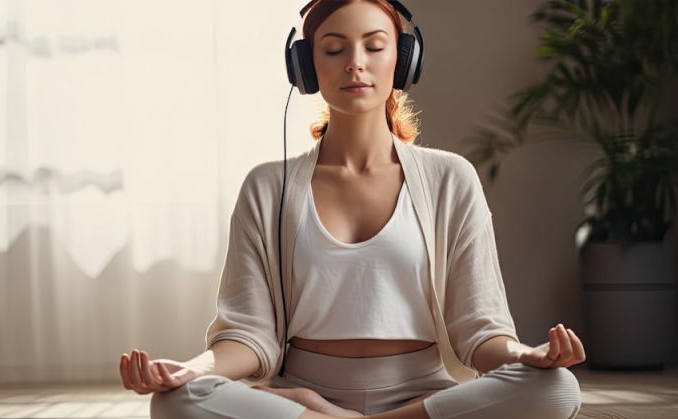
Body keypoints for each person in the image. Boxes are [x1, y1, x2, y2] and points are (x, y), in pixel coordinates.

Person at [119, 1, 585, 417]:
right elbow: (248, 335)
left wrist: (526, 356)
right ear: (305, 67)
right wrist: (190, 370)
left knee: (557, 389)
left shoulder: (451, 178)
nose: (355, 64)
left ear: (403, 62)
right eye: (334, 49)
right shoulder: (267, 186)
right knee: (176, 401)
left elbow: (478, 331)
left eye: (375, 46)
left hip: (420, 397)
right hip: (300, 390)